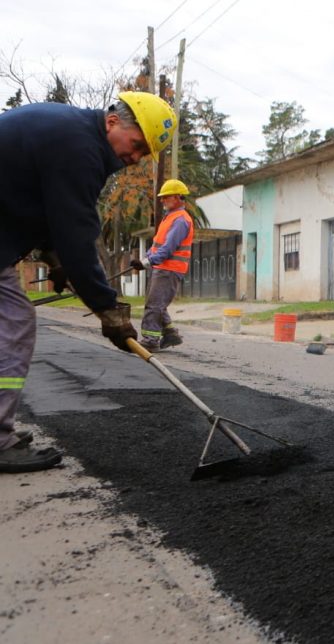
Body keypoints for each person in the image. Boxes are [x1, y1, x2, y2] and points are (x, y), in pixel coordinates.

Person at [0, 91, 177, 474]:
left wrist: (53, 259)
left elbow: (44, 209)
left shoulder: (72, 133)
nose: (135, 158)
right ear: (113, 122)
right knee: (14, 323)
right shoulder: (79, 148)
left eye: (144, 154)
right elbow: (75, 231)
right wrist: (107, 308)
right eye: (137, 145)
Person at [131, 179, 193, 350]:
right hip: (162, 268)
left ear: (179, 197)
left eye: (167, 197)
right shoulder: (170, 218)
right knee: (157, 303)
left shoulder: (181, 220)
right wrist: (144, 259)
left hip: (169, 270)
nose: (162, 200)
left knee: (154, 305)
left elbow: (167, 249)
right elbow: (157, 245)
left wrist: (147, 262)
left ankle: (150, 341)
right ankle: (170, 334)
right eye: (162, 197)